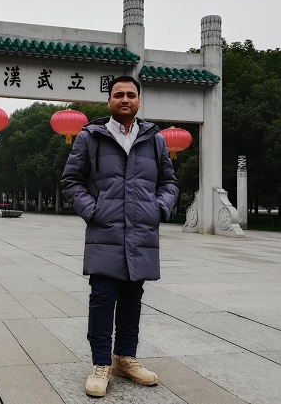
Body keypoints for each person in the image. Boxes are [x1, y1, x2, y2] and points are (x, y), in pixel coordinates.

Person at [61, 75, 179, 397]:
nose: (124, 99)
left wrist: (159, 209)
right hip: (105, 230)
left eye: (131, 94)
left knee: (132, 296)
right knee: (102, 297)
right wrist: (93, 210)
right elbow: (72, 181)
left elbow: (169, 182)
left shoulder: (154, 139)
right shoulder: (90, 137)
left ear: (139, 100)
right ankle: (101, 363)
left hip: (141, 231)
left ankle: (125, 357)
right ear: (109, 101)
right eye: (118, 95)